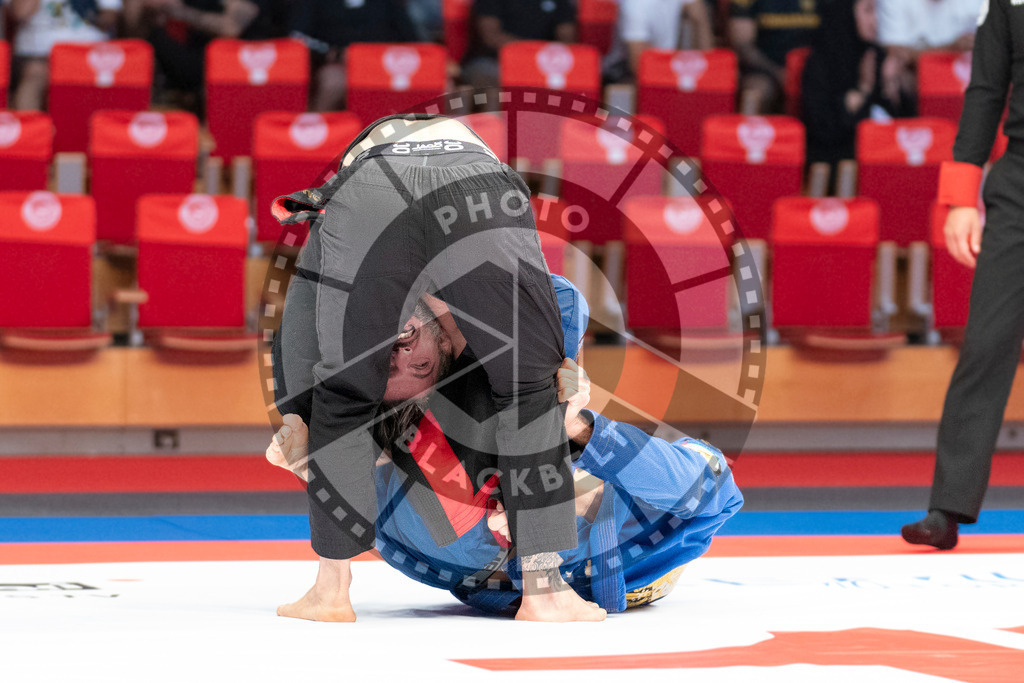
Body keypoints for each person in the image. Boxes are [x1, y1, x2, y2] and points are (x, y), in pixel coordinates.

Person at [270, 114, 600, 621]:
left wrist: (300, 411)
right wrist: (557, 367)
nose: (401, 355)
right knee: (528, 388)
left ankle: (330, 593)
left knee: (344, 393)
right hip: (477, 185)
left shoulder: (352, 187)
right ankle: (544, 591)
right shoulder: (455, 326)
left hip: (372, 193)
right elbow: (553, 310)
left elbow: (299, 330)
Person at [267, 276, 743, 615]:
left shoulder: (448, 546)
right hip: (514, 541)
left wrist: (313, 472)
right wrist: (578, 430)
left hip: (480, 565)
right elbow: (712, 491)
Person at [901, 0, 1022, 550]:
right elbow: (986, 89)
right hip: (1018, 182)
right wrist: (959, 197)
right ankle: (946, 508)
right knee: (986, 343)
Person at [801, 0, 911, 169]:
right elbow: (823, 131)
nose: (875, 20)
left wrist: (894, 86)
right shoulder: (820, 63)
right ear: (845, 14)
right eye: (868, 11)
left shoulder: (879, 56)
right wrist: (863, 91)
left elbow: (902, 125)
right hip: (838, 162)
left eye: (877, 12)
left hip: (886, 157)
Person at [129, 0, 274, 111]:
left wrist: (179, 12)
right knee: (150, 37)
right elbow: (133, 26)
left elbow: (231, 28)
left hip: (244, 63)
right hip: (193, 58)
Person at [287, 0, 419, 111]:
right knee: (333, 83)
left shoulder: (387, 3)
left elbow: (412, 40)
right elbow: (297, 36)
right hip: (337, 65)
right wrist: (333, 53)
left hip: (382, 67)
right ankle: (317, 132)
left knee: (401, 84)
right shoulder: (317, 3)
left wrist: (385, 57)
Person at [7, 0, 122, 111]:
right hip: (40, 54)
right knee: (34, 75)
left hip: (88, 52)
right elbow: (20, 12)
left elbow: (110, 17)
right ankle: (30, 129)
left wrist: (86, 10)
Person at [875, 0, 981, 110]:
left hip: (964, 81)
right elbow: (895, 51)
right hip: (915, 81)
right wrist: (950, 49)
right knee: (894, 67)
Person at [728, 0, 820, 113]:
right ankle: (748, 130)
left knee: (830, 88)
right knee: (754, 93)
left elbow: (836, 35)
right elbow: (743, 46)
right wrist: (778, 73)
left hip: (813, 67)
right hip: (765, 68)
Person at [460, 0, 577, 90]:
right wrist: (530, 55)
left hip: (545, 64)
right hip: (496, 60)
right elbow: (491, 37)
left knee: (581, 73)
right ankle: (494, 119)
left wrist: (541, 60)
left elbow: (567, 39)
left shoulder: (560, 2)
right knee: (484, 72)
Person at [615, 0, 715, 77]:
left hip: (667, 69)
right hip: (624, 73)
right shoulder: (635, 5)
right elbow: (638, 65)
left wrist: (708, 73)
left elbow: (699, 17)